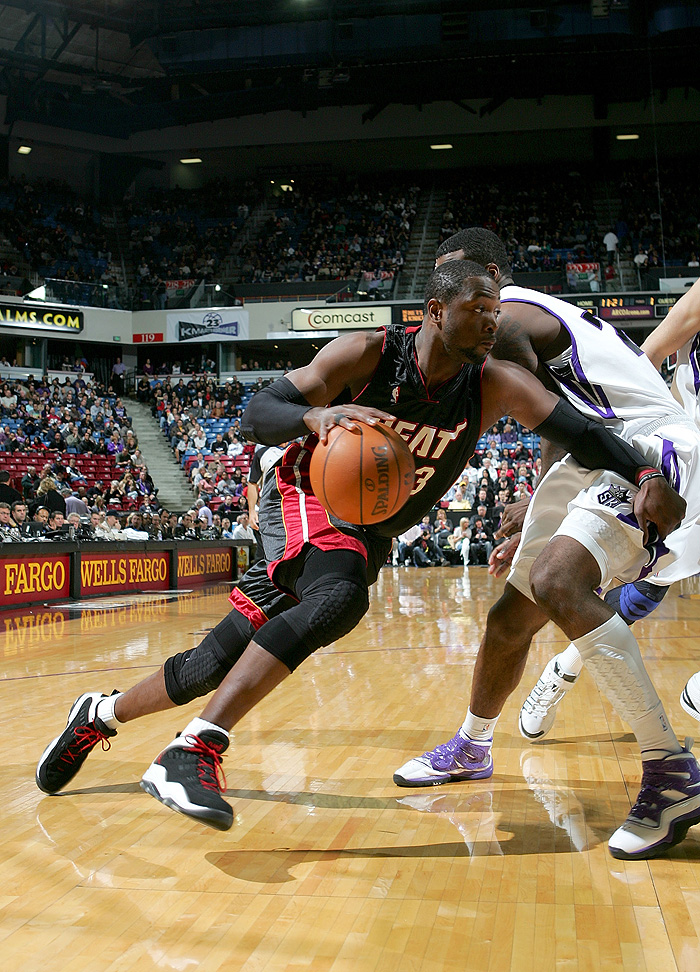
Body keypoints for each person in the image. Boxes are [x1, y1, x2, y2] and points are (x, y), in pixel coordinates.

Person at [36, 260, 677, 834]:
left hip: (367, 530)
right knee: (340, 596)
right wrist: (312, 417)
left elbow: (582, 433)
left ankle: (100, 713)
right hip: (303, 493)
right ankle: (193, 750)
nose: (492, 321)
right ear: (435, 310)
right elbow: (258, 413)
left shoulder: (495, 382)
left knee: (211, 664)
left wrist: (646, 472)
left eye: (495, 310)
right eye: (477, 309)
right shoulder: (368, 353)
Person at [393, 228, 699, 862]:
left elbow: (558, 419)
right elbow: (559, 421)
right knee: (510, 618)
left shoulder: (504, 318)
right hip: (596, 456)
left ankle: (670, 771)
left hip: (647, 447)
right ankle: (472, 745)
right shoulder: (522, 321)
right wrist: (540, 503)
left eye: (459, 276)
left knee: (558, 580)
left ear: (492, 275)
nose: (445, 292)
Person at [520, 277, 700, 737]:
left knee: (641, 589)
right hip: (681, 452)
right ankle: (563, 669)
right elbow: (646, 361)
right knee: (640, 588)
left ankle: (564, 667)